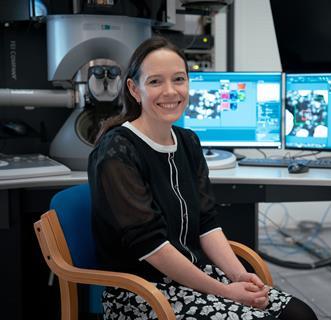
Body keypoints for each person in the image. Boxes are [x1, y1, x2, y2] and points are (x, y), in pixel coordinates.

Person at [88, 36, 318, 320]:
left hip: (194, 278)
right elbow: (152, 247)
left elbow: (207, 224)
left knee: (300, 314)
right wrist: (226, 292)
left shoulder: (187, 142)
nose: (170, 91)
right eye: (155, 81)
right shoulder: (116, 150)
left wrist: (240, 277)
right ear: (134, 89)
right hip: (141, 293)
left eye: (179, 79)